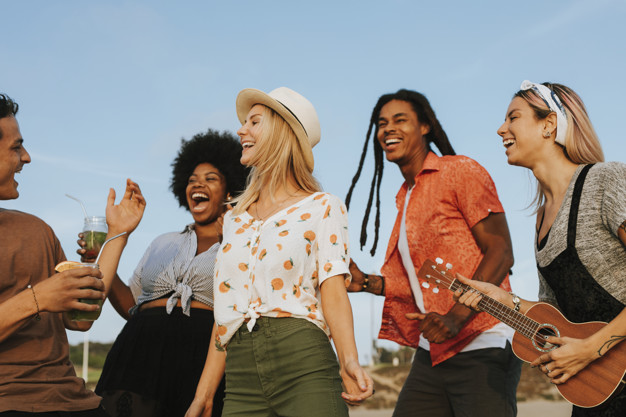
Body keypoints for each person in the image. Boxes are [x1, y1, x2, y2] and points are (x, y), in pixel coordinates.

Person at [187, 87, 373, 417]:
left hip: (303, 360)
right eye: (244, 122)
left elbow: (332, 290)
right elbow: (224, 315)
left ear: (281, 132)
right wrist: (204, 394)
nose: (241, 130)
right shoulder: (234, 219)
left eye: (254, 122)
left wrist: (348, 360)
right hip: (241, 375)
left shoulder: (323, 207)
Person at [345, 89, 521, 417]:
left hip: (482, 343)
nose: (388, 129)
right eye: (382, 123)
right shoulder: (404, 196)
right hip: (433, 353)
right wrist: (366, 282)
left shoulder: (459, 171)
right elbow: (417, 282)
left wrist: (456, 316)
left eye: (400, 120)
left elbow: (501, 250)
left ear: (425, 126)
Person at [455, 80, 626, 416]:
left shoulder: (607, 181)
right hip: (598, 393)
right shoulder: (540, 221)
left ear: (548, 125)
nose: (500, 128)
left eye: (513, 117)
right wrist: (502, 299)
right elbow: (554, 315)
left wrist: (591, 349)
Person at [78, 130, 248, 417]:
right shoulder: (162, 242)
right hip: (139, 350)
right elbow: (130, 304)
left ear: (230, 190)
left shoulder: (241, 243)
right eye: (192, 179)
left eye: (210, 179)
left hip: (201, 355)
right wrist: (101, 258)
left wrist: (233, 232)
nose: (198, 184)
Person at [0, 93, 145, 416]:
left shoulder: (38, 230)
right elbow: (41, 299)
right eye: (15, 147)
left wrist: (117, 234)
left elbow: (80, 320)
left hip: (77, 403)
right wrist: (37, 298)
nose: (27, 158)